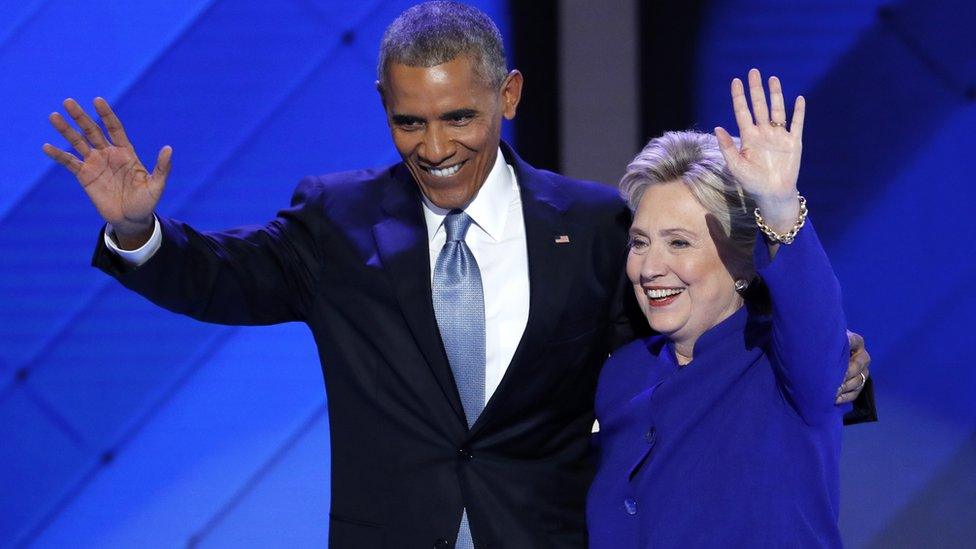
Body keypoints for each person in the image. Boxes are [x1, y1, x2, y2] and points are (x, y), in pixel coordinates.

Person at [42, 3, 871, 547]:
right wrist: (137, 228)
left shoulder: (592, 229)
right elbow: (220, 277)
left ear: (508, 95)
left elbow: (701, 316)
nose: (434, 147)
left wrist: (838, 362)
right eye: (409, 121)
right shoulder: (338, 222)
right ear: (383, 106)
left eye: (458, 117)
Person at [587, 70, 852, 547]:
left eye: (679, 242)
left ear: (742, 263)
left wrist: (779, 205)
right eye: (640, 242)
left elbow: (815, 320)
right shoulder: (624, 373)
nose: (650, 267)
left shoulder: (784, 366)